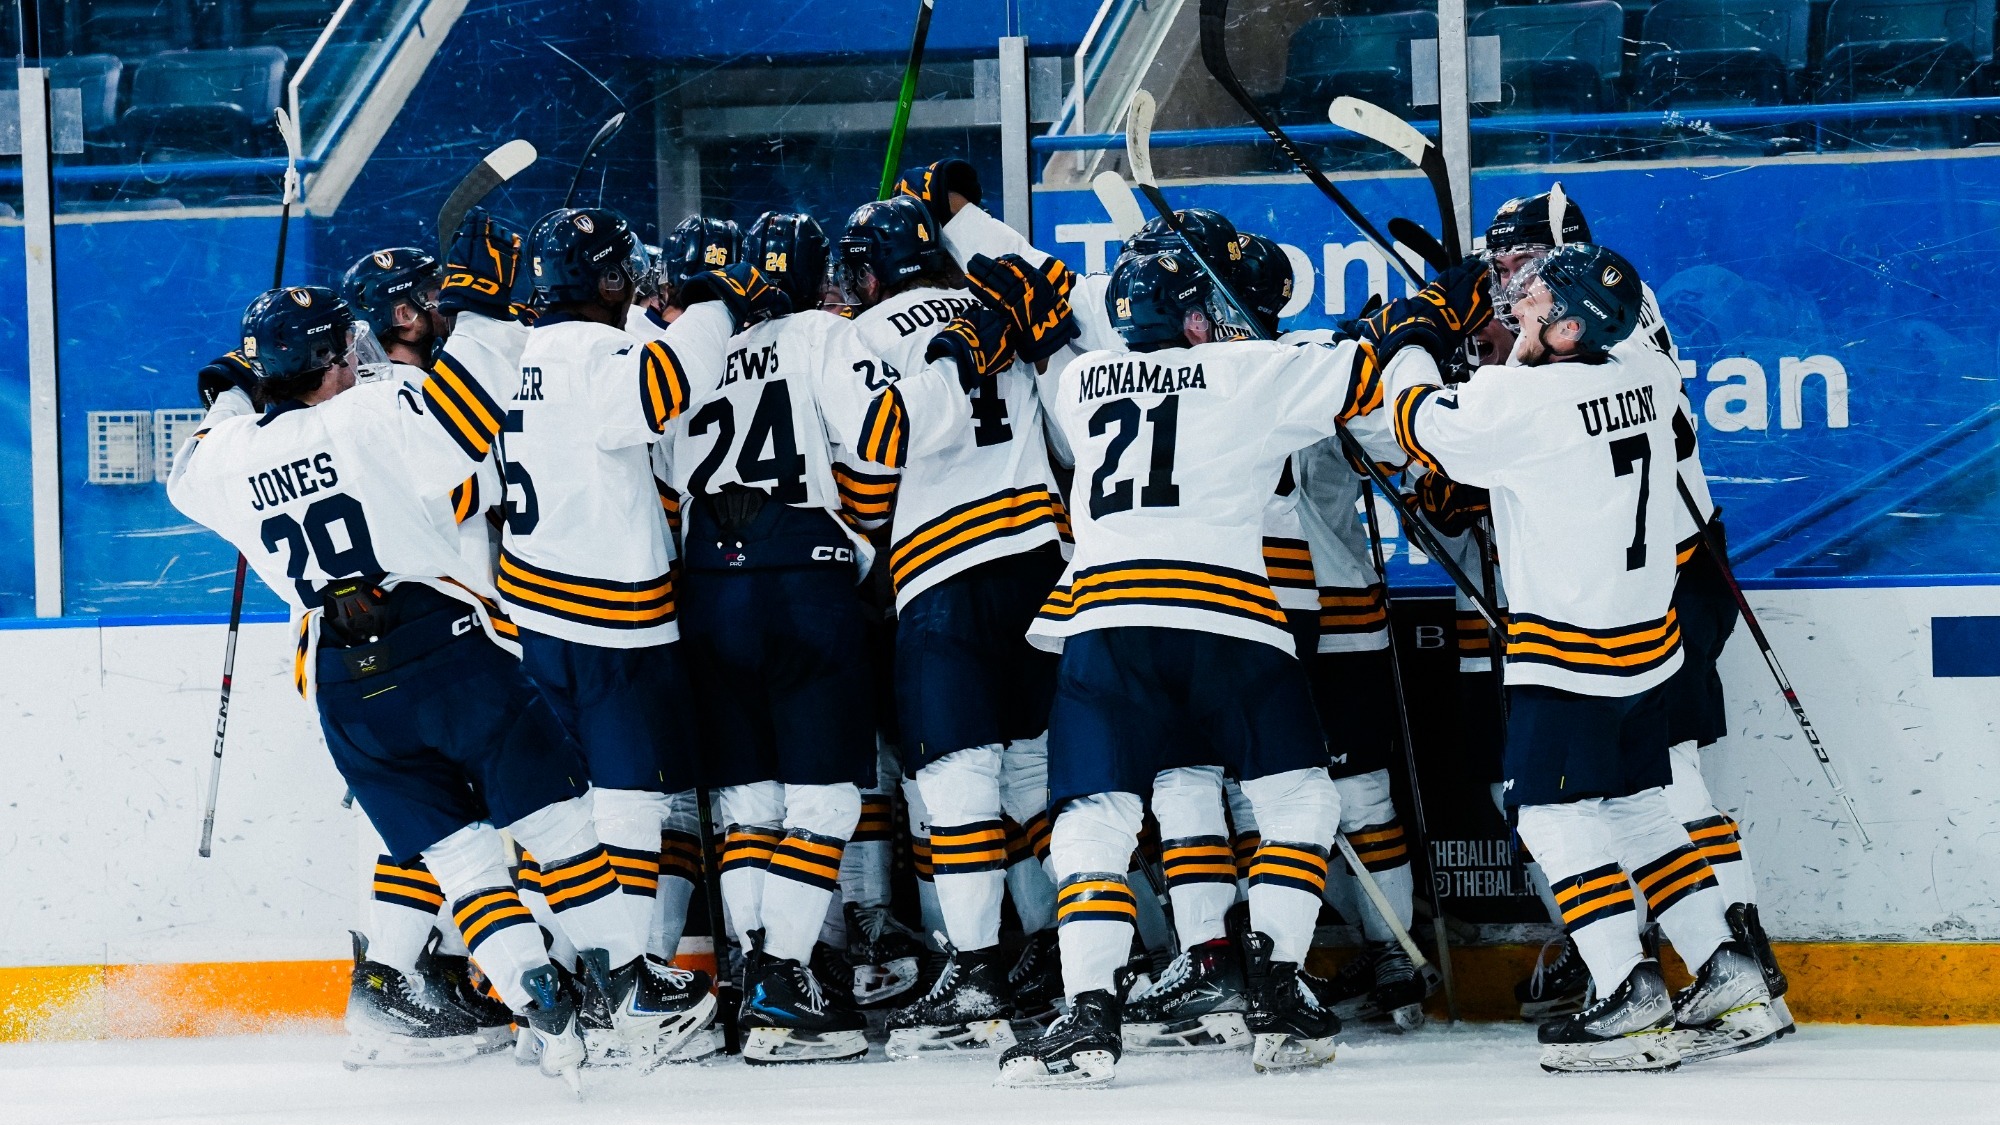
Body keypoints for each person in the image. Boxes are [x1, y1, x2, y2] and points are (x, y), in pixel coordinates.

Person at [166, 286, 715, 1090]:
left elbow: (191, 468)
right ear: (326, 359)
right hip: (441, 650)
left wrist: (230, 396)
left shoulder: (225, 455)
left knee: (460, 864)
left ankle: (545, 1006)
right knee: (556, 824)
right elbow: (466, 416)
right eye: (343, 351)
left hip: (344, 688)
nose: (356, 359)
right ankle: (628, 984)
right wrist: (480, 308)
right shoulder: (368, 416)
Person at [995, 247, 1425, 1087]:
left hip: (1104, 619)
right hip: (1228, 616)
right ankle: (1276, 983)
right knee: (1299, 796)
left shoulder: (1085, 383)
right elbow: (1361, 373)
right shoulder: (1245, 370)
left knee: (1097, 817)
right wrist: (1405, 326)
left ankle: (1088, 1010)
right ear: (1197, 318)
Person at [1388, 242, 1783, 1071]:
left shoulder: (1527, 408)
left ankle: (1627, 990)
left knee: (1552, 819)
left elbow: (1418, 421)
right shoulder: (1648, 376)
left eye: (1535, 303)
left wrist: (1415, 335)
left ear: (1571, 329)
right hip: (1648, 643)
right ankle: (1727, 968)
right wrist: (1514, 357)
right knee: (1641, 810)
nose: (1518, 309)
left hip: (1570, 650)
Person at [1483, 188, 1791, 1036]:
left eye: (1523, 271)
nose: (1511, 287)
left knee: (1663, 778)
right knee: (1643, 790)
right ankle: (1732, 966)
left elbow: (1499, 416)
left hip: (1657, 573)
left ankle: (1733, 961)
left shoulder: (1583, 340)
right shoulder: (1622, 319)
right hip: (1662, 565)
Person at [835, 183, 1073, 1056]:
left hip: (942, 572)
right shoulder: (992, 300)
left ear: (870, 273)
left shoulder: (859, 334)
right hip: (1043, 560)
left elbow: (874, 463)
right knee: (1041, 780)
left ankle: (975, 971)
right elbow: (1066, 436)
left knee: (961, 787)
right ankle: (1061, 953)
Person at [498, 206, 740, 1065]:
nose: (636, 284)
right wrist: (714, 298)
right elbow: (672, 383)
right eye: (624, 274)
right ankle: (631, 999)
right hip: (610, 621)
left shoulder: (530, 353)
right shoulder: (599, 356)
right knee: (630, 809)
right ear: (603, 281)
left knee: (566, 822)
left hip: (535, 615)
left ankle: (560, 999)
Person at [665, 210, 903, 1063]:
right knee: (827, 799)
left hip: (704, 588)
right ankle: (783, 980)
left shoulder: (677, 351)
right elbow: (882, 437)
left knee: (750, 806)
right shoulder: (817, 335)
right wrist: (863, 544)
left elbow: (659, 486)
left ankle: (753, 982)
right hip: (803, 577)